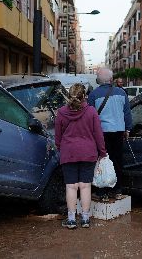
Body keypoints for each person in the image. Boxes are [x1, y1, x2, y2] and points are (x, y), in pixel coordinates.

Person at [55, 83, 106, 229]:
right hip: (88, 152)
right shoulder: (91, 111)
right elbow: (98, 135)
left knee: (71, 187)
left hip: (68, 152)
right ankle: (85, 219)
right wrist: (102, 152)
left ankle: (71, 220)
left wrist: (62, 148)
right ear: (84, 96)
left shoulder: (61, 112)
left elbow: (58, 137)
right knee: (85, 186)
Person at [88, 68, 132, 201]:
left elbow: (90, 116)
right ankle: (117, 190)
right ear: (111, 79)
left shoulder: (93, 95)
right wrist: (128, 129)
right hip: (119, 132)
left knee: (102, 161)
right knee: (117, 161)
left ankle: (103, 192)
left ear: (98, 80)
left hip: (102, 133)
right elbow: (127, 113)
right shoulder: (121, 93)